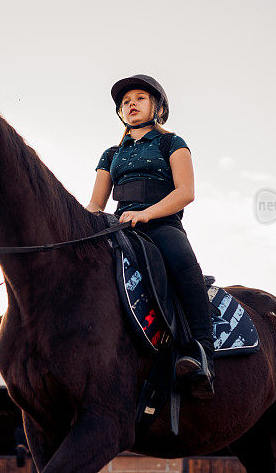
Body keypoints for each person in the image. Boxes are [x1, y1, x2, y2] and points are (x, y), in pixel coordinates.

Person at [86, 74, 215, 399]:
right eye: (125, 101)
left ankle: (202, 353)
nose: (131, 104)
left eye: (139, 98)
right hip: (120, 227)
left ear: (157, 106)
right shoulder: (110, 154)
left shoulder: (172, 143)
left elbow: (186, 192)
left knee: (184, 263)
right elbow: (95, 204)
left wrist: (146, 213)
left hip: (162, 224)